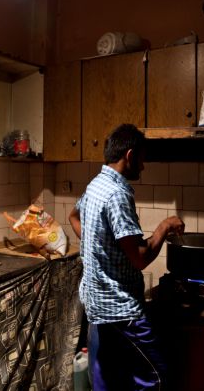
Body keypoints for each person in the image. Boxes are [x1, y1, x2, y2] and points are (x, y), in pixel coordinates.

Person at [69, 123, 185, 391]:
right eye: (142, 159)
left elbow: (73, 217)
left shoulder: (96, 185)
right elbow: (140, 258)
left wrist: (99, 243)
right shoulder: (117, 194)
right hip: (121, 312)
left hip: (98, 309)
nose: (143, 166)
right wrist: (165, 226)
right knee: (156, 378)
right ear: (130, 155)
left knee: (108, 383)